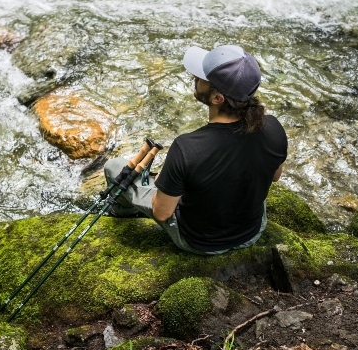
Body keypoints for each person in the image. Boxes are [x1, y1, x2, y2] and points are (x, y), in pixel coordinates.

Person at [104, 44, 288, 255]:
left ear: (217, 98)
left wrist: (168, 182)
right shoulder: (273, 127)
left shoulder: (186, 147)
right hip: (252, 232)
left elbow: (162, 213)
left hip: (201, 242)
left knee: (114, 166)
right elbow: (274, 176)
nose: (194, 78)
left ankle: (123, 211)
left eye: (201, 78)